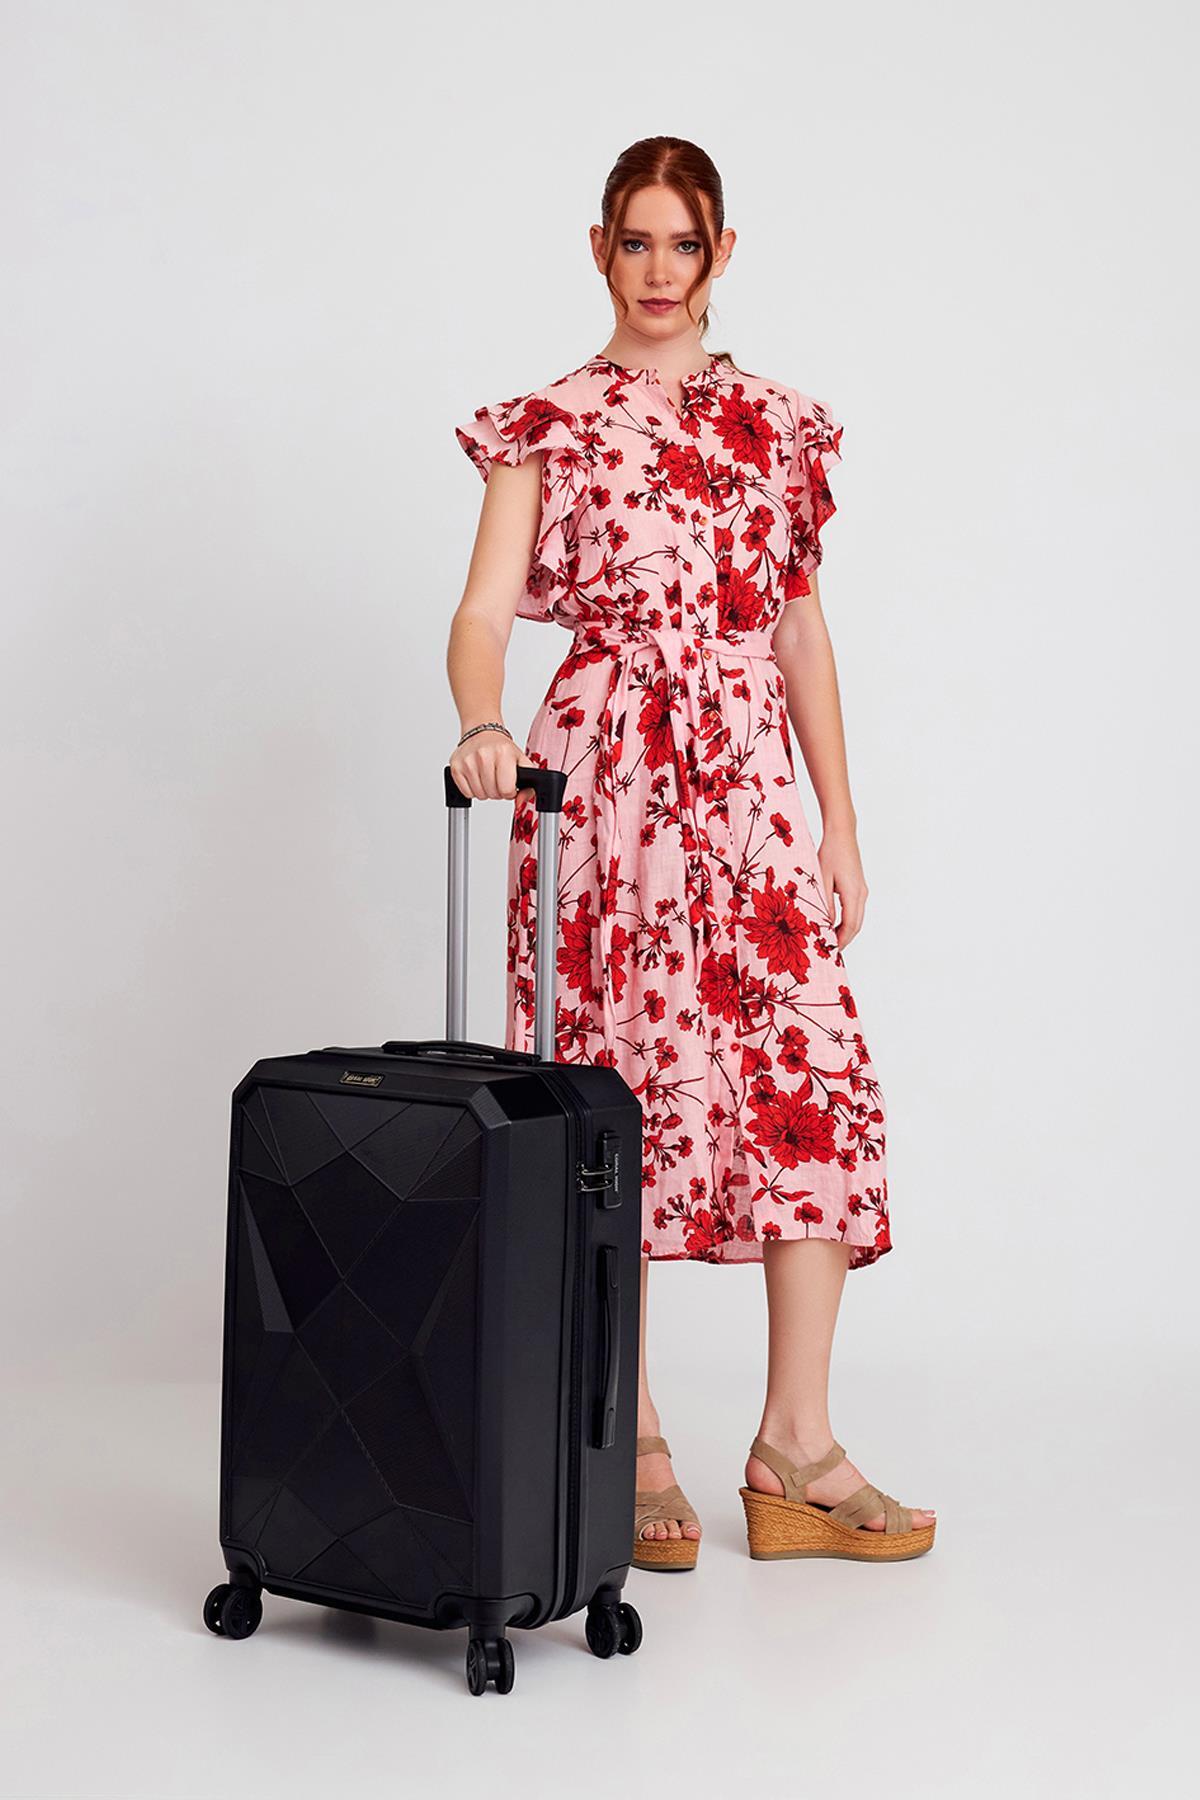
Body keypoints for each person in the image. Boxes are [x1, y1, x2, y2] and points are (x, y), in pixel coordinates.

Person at [446, 136, 935, 1571]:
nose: (659, 270)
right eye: (635, 241)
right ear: (599, 248)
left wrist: (841, 822)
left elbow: (800, 632)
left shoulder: (778, 426)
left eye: (684, 243)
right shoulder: (547, 422)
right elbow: (481, 612)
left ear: (722, 253)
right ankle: (631, 1431)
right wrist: (484, 721)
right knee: (621, 1095)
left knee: (811, 1080)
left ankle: (797, 1448)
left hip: (749, 787)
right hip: (605, 787)